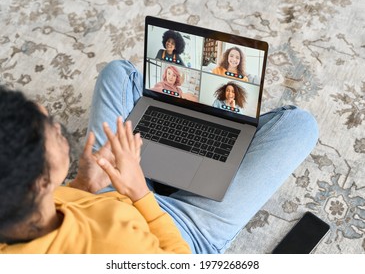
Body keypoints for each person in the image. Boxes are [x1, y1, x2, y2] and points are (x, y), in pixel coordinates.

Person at [0, 60, 318, 254]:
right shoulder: (118, 249)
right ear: (40, 182)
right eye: (51, 130)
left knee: (118, 72)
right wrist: (140, 192)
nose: (56, 124)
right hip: (185, 231)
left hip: (105, 190)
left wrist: (83, 183)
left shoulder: (12, 211)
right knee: (298, 125)